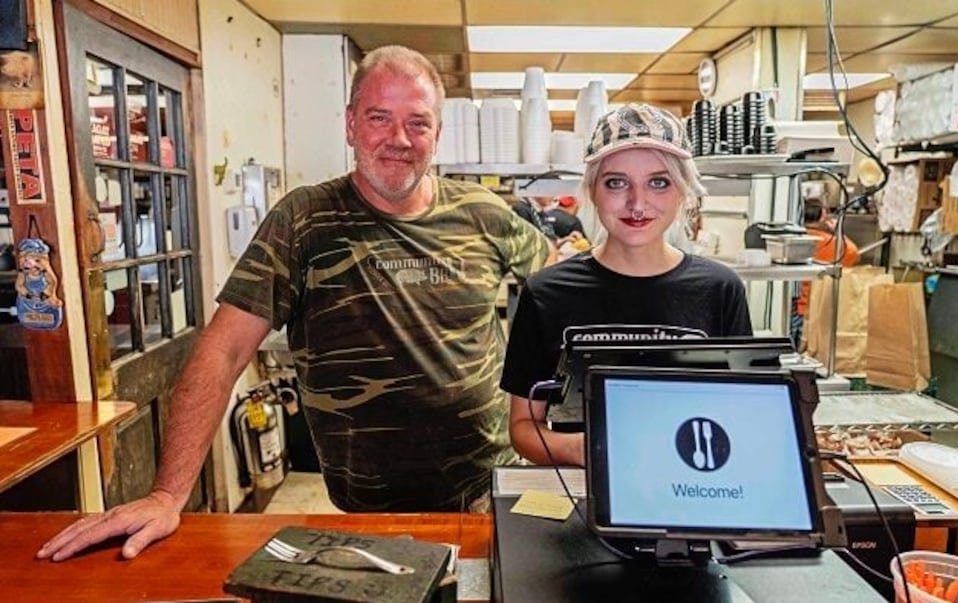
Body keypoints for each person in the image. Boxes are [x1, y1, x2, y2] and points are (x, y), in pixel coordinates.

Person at [38, 45, 550, 562]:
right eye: (379, 118)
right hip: (367, 514)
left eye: (418, 123)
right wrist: (167, 495)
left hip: (488, 491)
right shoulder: (303, 220)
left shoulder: (486, 215)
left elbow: (558, 291)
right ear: (351, 125)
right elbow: (225, 350)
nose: (399, 139)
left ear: (437, 135)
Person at [500, 104, 752, 467]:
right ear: (593, 191)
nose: (637, 204)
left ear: (683, 192)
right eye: (616, 183)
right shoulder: (546, 293)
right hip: (584, 493)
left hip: (692, 480)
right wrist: (585, 450)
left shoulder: (719, 290)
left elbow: (744, 411)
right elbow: (524, 427)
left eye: (659, 182)